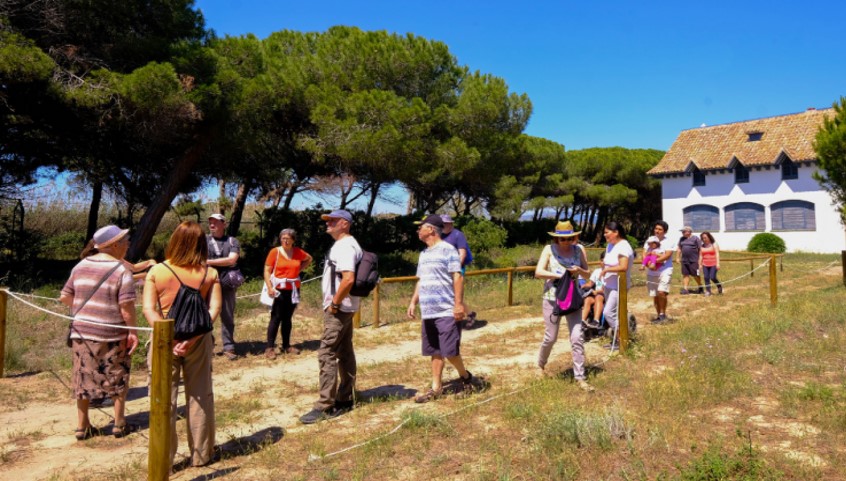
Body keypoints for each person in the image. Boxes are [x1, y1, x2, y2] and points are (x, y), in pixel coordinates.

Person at [143, 221, 222, 470]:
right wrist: (192, 338)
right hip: (199, 340)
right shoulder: (209, 273)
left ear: (175, 241)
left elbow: (148, 309)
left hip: (164, 341)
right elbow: (214, 309)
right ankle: (201, 455)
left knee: (162, 399)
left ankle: (163, 459)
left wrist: (168, 337)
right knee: (200, 396)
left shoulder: (157, 271)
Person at [60, 225, 140, 440]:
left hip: (82, 332)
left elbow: (65, 296)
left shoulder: (80, 266)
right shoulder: (121, 270)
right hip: (113, 333)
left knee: (82, 376)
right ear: (114, 245)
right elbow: (126, 307)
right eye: (125, 241)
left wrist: (86, 310)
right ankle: (119, 423)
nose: (128, 244)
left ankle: (82, 425)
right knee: (118, 375)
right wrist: (133, 332)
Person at [407, 214, 484, 403]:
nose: (418, 230)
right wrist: (413, 302)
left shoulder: (448, 250)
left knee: (450, 351)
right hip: (428, 312)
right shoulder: (424, 254)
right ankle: (436, 388)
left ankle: (466, 377)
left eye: (421, 227)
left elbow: (458, 277)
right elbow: (421, 280)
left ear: (431, 229)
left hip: (446, 310)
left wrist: (458, 305)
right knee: (434, 350)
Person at [299, 209, 362, 424]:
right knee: (345, 351)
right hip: (345, 306)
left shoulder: (345, 246)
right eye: (327, 220)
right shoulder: (346, 244)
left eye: (333, 220)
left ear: (345, 223)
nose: (328, 223)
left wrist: (334, 303)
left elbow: (348, 278)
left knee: (326, 352)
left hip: (339, 308)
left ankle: (325, 405)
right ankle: (345, 397)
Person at [534, 220, 593, 391]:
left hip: (573, 298)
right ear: (556, 239)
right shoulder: (548, 249)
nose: (566, 242)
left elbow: (587, 273)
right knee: (550, 337)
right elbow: (538, 272)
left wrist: (579, 271)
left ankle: (580, 377)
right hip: (553, 298)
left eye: (569, 238)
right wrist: (559, 276)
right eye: (562, 239)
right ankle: (540, 365)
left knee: (577, 336)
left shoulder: (579, 250)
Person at [263, 228, 313, 359]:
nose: (285, 241)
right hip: (278, 289)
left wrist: (299, 270)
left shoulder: (297, 252)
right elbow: (267, 271)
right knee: (276, 317)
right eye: (283, 238)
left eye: (288, 238)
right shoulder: (275, 252)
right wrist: (269, 287)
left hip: (293, 289)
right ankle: (270, 347)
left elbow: (309, 258)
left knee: (287, 317)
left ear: (293, 240)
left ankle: (286, 345)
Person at [206, 213, 241, 360]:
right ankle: (207, 344)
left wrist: (208, 262)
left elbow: (232, 260)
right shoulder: (203, 240)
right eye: (210, 222)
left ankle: (228, 346)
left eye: (216, 222)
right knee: (205, 314)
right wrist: (223, 261)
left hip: (227, 283)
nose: (212, 225)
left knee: (227, 315)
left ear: (224, 224)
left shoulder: (232, 241)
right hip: (207, 283)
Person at [600, 221, 634, 351]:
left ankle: (623, 339)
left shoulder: (623, 246)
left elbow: (623, 266)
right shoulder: (610, 245)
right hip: (609, 285)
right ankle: (618, 339)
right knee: (614, 313)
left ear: (616, 232)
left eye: (607, 232)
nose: (604, 235)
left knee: (608, 312)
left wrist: (606, 270)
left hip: (619, 285)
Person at [441, 214, 477, 325]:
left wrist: (455, 269)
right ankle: (469, 314)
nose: (443, 225)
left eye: (446, 223)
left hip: (457, 269)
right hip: (444, 269)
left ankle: (463, 315)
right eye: (442, 223)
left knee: (454, 294)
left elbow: (462, 254)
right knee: (450, 294)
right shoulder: (440, 235)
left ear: (451, 224)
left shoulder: (458, 235)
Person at [645, 220, 675, 324]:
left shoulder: (668, 241)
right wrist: (649, 265)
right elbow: (644, 254)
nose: (657, 231)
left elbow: (667, 255)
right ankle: (658, 316)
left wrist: (654, 262)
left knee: (662, 292)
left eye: (660, 229)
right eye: (656, 228)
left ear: (665, 231)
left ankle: (662, 314)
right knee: (655, 294)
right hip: (652, 271)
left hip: (665, 270)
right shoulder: (649, 240)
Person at [676, 225, 703, 294]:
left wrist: (700, 260)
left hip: (694, 260)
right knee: (685, 274)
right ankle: (685, 289)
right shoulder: (681, 239)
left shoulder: (696, 238)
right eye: (682, 232)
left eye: (683, 231)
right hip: (684, 260)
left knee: (696, 274)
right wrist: (677, 257)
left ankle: (700, 286)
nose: (682, 233)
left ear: (689, 232)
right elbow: (679, 248)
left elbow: (700, 249)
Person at [582, 252, 605, 328]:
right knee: (588, 299)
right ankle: (582, 320)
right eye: (602, 260)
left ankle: (596, 321)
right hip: (596, 293)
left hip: (605, 295)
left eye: (605, 261)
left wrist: (596, 291)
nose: (603, 263)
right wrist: (583, 286)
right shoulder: (597, 271)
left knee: (598, 297)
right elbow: (591, 283)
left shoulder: (611, 273)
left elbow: (606, 289)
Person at [699, 231, 722, 296]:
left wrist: (718, 263)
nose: (704, 239)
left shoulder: (714, 244)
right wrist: (700, 265)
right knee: (706, 277)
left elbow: (717, 254)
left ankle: (719, 286)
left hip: (713, 264)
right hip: (705, 264)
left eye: (705, 237)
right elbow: (700, 256)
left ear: (709, 237)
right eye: (703, 238)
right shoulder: (702, 246)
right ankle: (708, 291)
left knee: (712, 277)